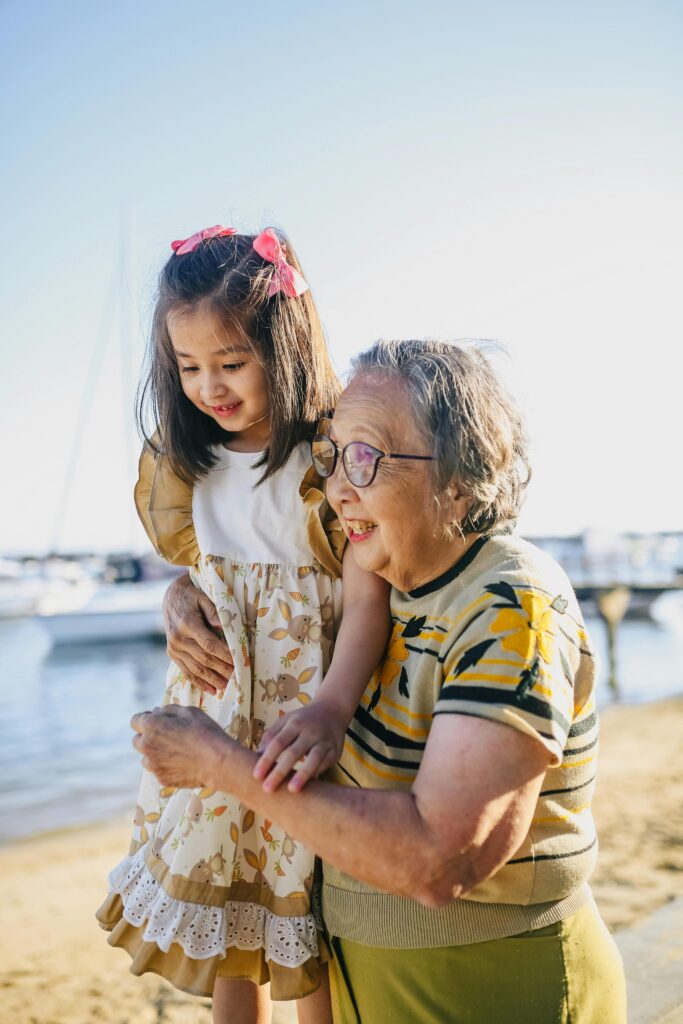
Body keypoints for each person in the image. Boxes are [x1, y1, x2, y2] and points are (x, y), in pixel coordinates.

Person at [132, 339, 627, 1024]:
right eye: (331, 458)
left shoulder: (510, 604)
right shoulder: (381, 598)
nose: (335, 488)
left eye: (364, 458)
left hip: (492, 992)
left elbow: (438, 858)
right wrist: (188, 596)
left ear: (458, 475)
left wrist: (221, 764)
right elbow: (265, 568)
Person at [96, 225, 390, 1024]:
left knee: (307, 921)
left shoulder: (328, 462)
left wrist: (330, 708)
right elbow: (202, 581)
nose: (209, 387)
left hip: (307, 718)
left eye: (231, 363)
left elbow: (366, 600)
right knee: (233, 916)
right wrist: (174, 601)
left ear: (284, 344)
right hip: (219, 710)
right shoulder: (186, 465)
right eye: (188, 367)